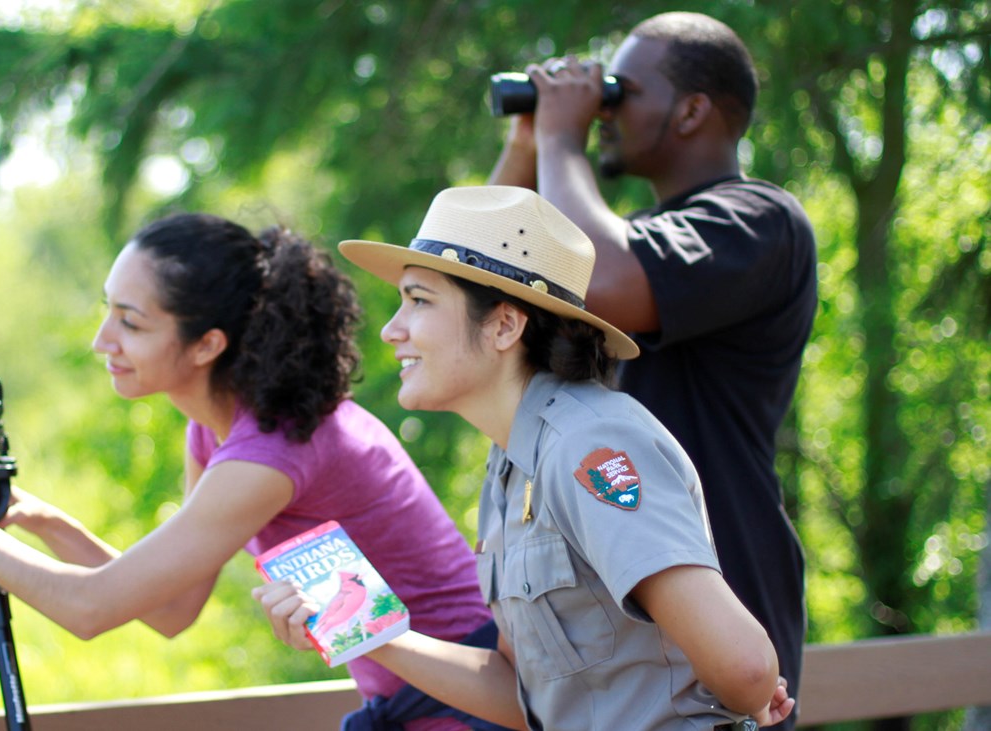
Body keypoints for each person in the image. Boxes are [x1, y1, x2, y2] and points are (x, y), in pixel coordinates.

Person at [0, 211, 499, 730]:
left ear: (206, 345)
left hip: (470, 708)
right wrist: (40, 518)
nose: (102, 340)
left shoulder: (272, 450)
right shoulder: (219, 428)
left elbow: (90, 611)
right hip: (417, 707)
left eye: (131, 323)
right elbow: (174, 609)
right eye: (108, 309)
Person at [256, 185, 796, 729]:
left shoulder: (590, 445)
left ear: (504, 325)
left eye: (419, 300)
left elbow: (747, 669)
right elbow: (524, 698)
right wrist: (363, 631)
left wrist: (744, 693)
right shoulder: (511, 465)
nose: (391, 329)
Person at [487, 12, 817, 725]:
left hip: (720, 595)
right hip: (619, 613)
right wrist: (528, 141)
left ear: (693, 109)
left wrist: (560, 137)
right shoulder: (625, 235)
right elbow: (479, 282)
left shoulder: (758, 219)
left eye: (620, 90)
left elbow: (604, 280)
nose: (602, 108)